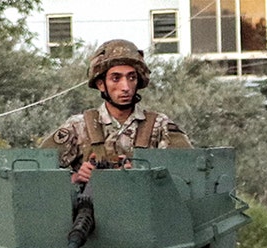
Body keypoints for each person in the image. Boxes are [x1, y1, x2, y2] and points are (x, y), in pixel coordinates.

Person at [40, 39, 192, 184]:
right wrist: (76, 177)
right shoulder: (79, 127)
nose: (125, 87)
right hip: (90, 209)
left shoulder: (159, 126)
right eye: (116, 78)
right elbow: (35, 170)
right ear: (101, 84)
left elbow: (188, 171)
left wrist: (141, 173)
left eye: (131, 77)